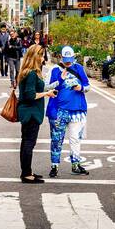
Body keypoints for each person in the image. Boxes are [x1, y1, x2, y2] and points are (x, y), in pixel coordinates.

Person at [47, 45, 90, 178]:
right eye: (66, 59)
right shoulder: (54, 70)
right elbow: (46, 86)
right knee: (56, 140)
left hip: (77, 111)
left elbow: (87, 86)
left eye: (70, 59)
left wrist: (80, 87)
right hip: (58, 111)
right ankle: (54, 166)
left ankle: (75, 164)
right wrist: (60, 79)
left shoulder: (79, 68)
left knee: (75, 139)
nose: (68, 62)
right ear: (61, 57)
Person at [16, 45, 56, 183]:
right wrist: (47, 94)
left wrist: (51, 87)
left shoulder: (27, 71)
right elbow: (30, 95)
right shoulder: (32, 73)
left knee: (26, 143)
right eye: (41, 55)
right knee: (28, 143)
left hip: (28, 112)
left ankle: (27, 171)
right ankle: (26, 174)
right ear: (35, 56)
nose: (43, 58)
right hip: (31, 113)